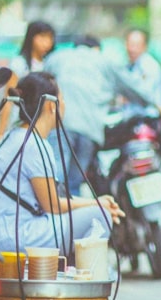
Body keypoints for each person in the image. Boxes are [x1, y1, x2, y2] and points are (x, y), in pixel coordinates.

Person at [0, 72, 125, 254]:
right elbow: (53, 205)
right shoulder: (33, 145)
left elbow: (50, 198)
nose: (65, 105)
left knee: (96, 210)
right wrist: (97, 205)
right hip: (10, 237)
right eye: (62, 99)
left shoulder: (16, 137)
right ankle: (82, 277)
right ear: (52, 105)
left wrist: (96, 202)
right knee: (100, 216)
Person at [43, 34, 154, 196]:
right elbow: (133, 87)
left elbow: (39, 84)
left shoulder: (57, 58)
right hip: (90, 131)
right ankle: (71, 219)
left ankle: (54, 219)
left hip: (61, 126)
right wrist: (157, 104)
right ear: (96, 49)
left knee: (54, 182)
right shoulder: (104, 60)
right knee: (73, 185)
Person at [0, 20, 56, 143]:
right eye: (43, 37)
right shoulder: (19, 64)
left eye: (50, 38)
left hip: (42, 126)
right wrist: (0, 132)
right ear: (31, 37)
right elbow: (8, 98)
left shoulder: (50, 64)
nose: (47, 42)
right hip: (20, 123)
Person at [122, 28, 161, 112]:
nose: (132, 49)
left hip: (148, 118)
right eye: (129, 44)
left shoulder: (149, 66)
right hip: (131, 116)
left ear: (144, 46)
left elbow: (145, 94)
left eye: (136, 45)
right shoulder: (128, 65)